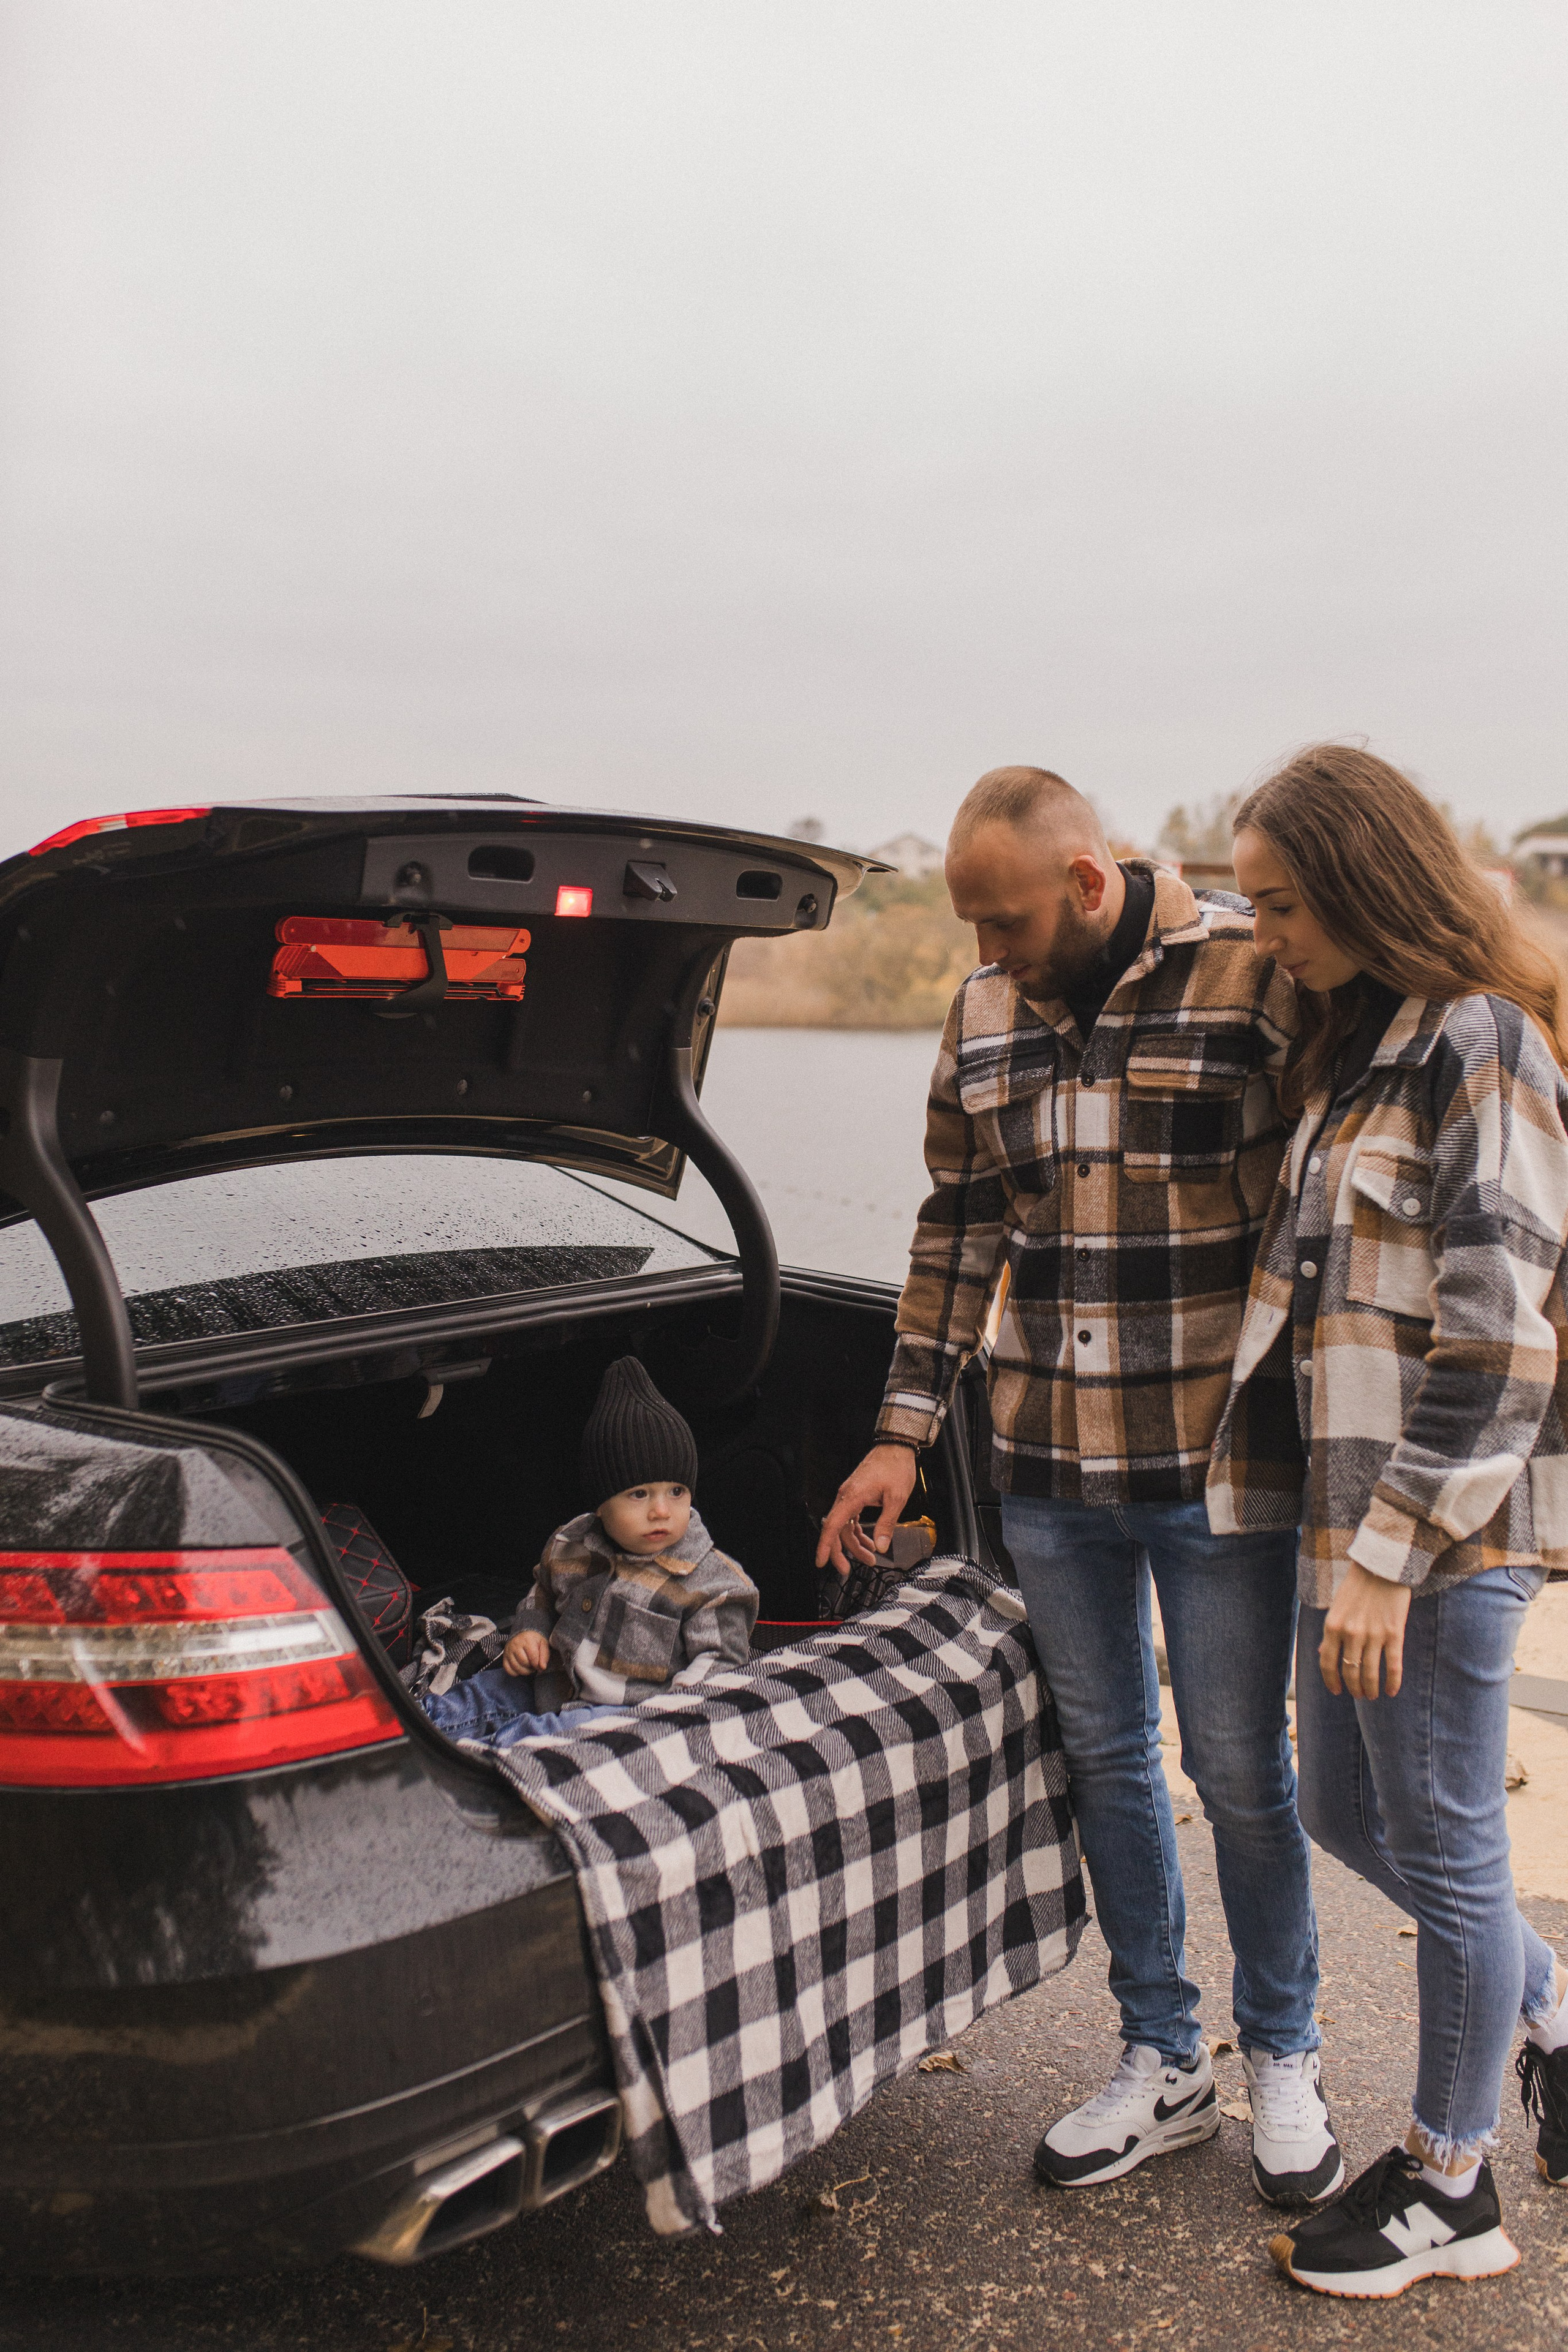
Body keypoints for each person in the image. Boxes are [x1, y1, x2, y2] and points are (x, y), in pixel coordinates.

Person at [818, 764, 1344, 2209]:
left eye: (1001, 921)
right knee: (1106, 1758)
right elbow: (957, 1228)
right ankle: (1160, 2054)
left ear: (1087, 882)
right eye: (967, 926)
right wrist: (899, 1428)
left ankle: (1283, 2054)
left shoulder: (1250, 970)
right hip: (1045, 1464)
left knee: (1240, 1769)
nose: (982, 952)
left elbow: (1340, 1179)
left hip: (1212, 1463)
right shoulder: (980, 1012)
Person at [1208, 743, 1568, 2300]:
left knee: (1439, 1843)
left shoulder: (1479, 1043)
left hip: (1434, 1543)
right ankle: (1543, 2005)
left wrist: (1385, 1556)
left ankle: (1447, 2181)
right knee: (1350, 1818)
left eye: (1283, 901)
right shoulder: (1356, 1046)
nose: (1264, 928)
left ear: (1362, 881)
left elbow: (1498, 1335)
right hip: (1334, 1532)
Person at [422, 1356, 758, 1746]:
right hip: (554, 1684)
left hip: (629, 1716)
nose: (661, 1511)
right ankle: (411, 1737)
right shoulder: (572, 1543)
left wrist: (666, 1719)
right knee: (482, 1693)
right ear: (601, 1504)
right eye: (639, 1494)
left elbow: (721, 1664)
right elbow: (543, 1595)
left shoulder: (715, 1584)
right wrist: (529, 1633)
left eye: (677, 1492)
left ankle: (486, 1765)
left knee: (532, 1738)